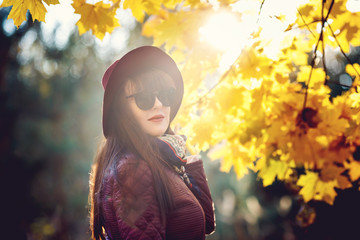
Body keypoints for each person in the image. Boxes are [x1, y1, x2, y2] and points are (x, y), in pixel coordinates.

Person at [89, 46, 215, 240]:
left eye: (166, 95)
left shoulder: (162, 160)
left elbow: (206, 223)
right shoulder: (132, 169)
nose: (158, 104)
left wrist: (187, 162)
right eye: (144, 98)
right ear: (123, 111)